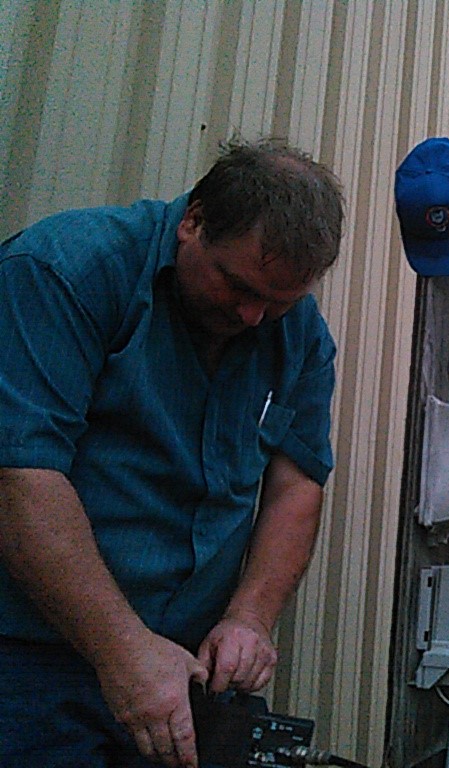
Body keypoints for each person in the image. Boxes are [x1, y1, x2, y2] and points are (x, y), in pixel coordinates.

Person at [0, 138, 344, 768]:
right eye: (238, 285)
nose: (254, 315)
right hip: (30, 659)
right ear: (194, 221)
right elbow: (21, 475)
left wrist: (249, 618)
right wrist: (124, 651)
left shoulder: (298, 334)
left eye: (279, 301)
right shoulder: (65, 271)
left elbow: (297, 484)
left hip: (186, 668)